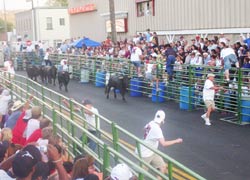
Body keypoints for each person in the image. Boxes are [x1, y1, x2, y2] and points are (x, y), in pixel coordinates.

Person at [137, 110, 183, 179]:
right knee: (139, 176)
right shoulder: (157, 129)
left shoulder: (151, 123)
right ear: (163, 120)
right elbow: (164, 144)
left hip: (151, 151)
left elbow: (144, 130)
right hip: (145, 154)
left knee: (162, 167)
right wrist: (176, 141)